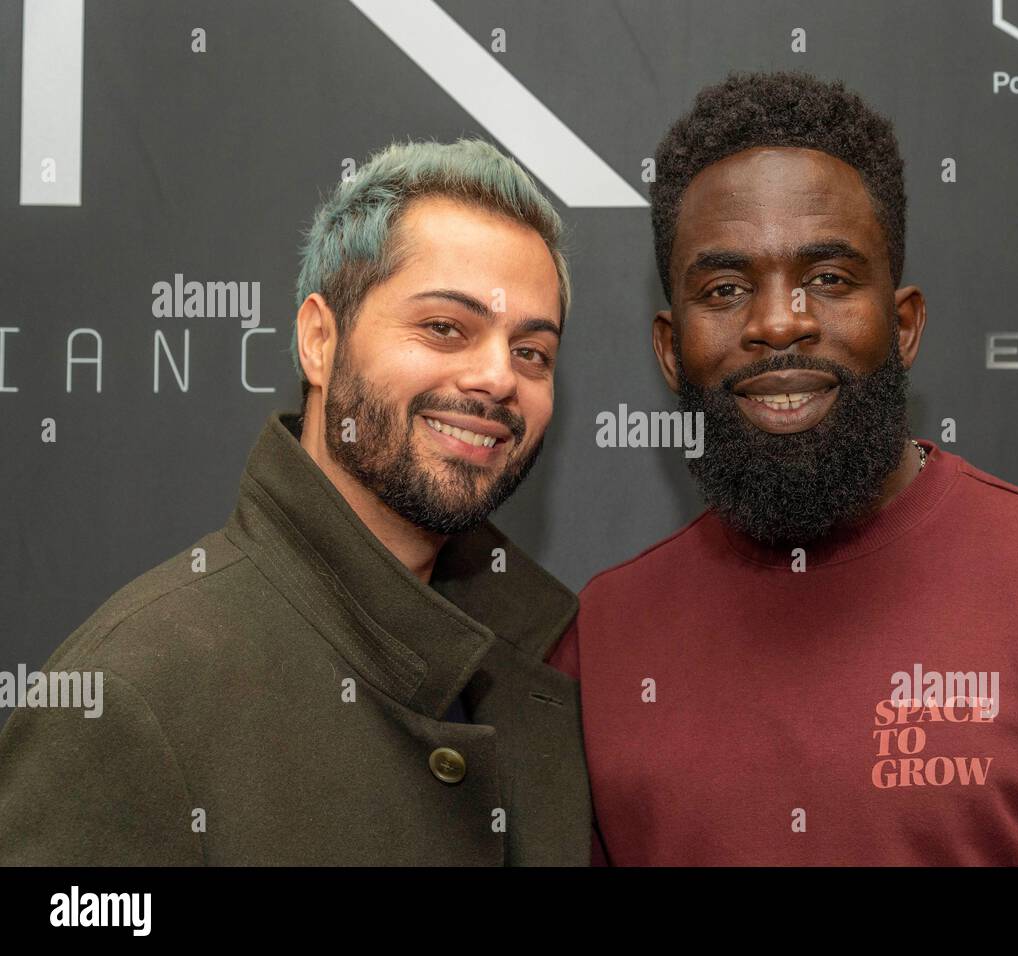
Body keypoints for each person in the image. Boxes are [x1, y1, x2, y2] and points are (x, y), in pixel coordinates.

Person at [546, 72, 1018, 866]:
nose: (778, 323)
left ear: (902, 327)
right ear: (670, 348)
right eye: (726, 288)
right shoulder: (601, 641)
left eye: (827, 280)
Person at [0, 139, 590, 865]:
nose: (499, 377)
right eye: (445, 328)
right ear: (318, 340)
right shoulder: (132, 694)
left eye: (532, 352)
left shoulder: (554, 665)